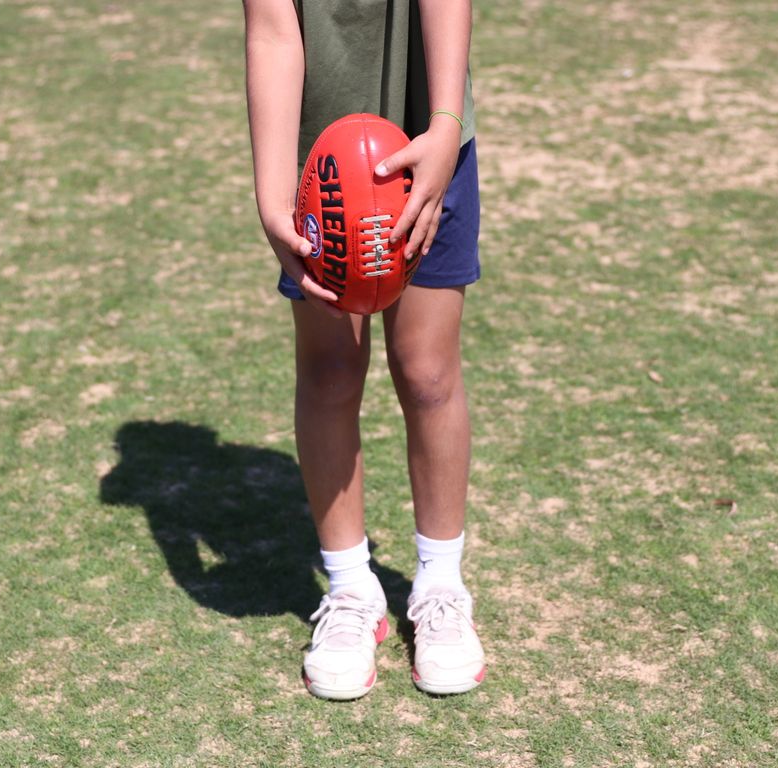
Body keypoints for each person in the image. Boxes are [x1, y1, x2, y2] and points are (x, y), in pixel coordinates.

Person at [242, 0, 485, 700]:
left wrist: (444, 126)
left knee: (428, 373)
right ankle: (351, 589)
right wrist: (271, 196)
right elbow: (272, 31)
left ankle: (440, 587)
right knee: (329, 372)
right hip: (317, 159)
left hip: (427, 139)